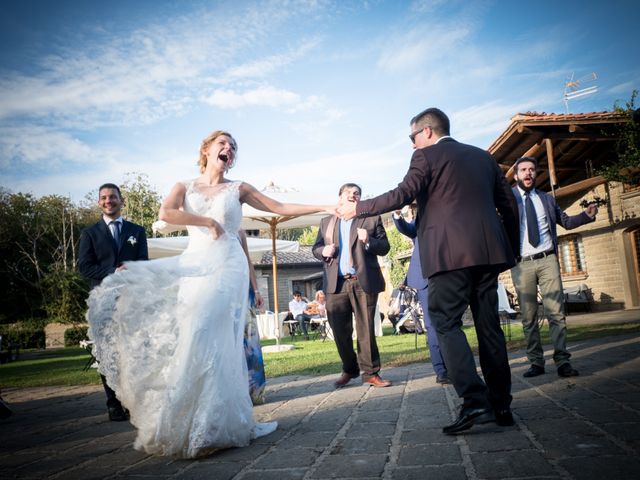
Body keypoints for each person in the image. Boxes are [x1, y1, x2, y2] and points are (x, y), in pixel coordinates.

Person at [86, 130, 331, 458]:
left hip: (228, 267)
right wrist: (206, 221)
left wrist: (329, 204)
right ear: (206, 149)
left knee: (215, 336)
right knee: (194, 334)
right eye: (222, 144)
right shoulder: (184, 186)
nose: (228, 149)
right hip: (195, 267)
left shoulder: (238, 188)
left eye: (233, 147)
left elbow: (279, 205)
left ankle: (220, 421)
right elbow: (166, 213)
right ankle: (187, 419)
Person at [338, 108, 519, 434]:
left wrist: (359, 208)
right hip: (489, 254)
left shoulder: (427, 157)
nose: (411, 145)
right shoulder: (483, 157)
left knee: (445, 324)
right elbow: (508, 205)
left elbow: (402, 193)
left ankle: (476, 401)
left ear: (428, 132)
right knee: (490, 328)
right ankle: (501, 403)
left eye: (412, 137)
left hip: (449, 256)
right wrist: (512, 250)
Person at [510, 156, 597, 378]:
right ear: (516, 175)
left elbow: (565, 222)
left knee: (556, 313)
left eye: (532, 169)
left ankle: (562, 362)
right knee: (529, 317)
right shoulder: (507, 199)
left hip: (548, 259)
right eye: (523, 170)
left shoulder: (546, 199)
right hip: (522, 264)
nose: (528, 173)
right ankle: (536, 363)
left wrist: (585, 216)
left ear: (535, 173)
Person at [78, 183, 148, 422]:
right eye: (104, 198)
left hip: (131, 301)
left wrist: (132, 274)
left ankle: (131, 400)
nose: (109, 201)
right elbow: (84, 267)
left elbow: (143, 263)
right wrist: (112, 271)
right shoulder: (89, 233)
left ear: (121, 200)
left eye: (113, 197)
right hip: (102, 302)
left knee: (131, 352)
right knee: (107, 353)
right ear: (99, 202)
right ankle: (113, 403)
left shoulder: (136, 231)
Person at [313, 183, 392, 389]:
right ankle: (350, 368)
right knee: (339, 331)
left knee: (365, 330)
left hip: (362, 282)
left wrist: (369, 241)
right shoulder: (326, 222)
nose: (353, 195)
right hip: (336, 285)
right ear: (340, 197)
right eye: (349, 193)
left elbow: (384, 248)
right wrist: (323, 251)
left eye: (357, 193)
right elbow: (315, 248)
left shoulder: (371, 218)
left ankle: (371, 373)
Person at [393, 209, 450, 384]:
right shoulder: (421, 217)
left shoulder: (449, 213)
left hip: (448, 275)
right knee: (432, 325)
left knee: (450, 322)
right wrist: (397, 216)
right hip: (425, 277)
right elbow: (407, 229)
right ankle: (441, 370)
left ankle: (456, 366)